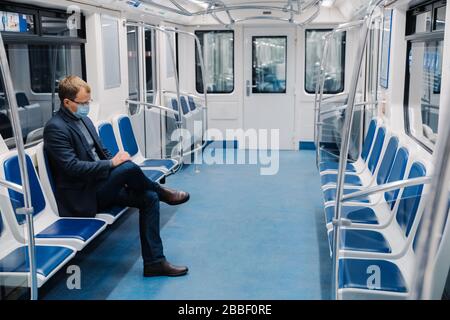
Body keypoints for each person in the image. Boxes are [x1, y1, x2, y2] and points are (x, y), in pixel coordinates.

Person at [43, 75, 189, 277]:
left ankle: (154, 262)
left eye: (89, 101)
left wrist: (114, 162)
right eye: (83, 103)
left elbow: (101, 151)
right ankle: (162, 191)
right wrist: (114, 165)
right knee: (128, 169)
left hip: (103, 184)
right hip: (85, 195)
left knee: (149, 198)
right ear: (67, 102)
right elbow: (72, 167)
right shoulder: (55, 128)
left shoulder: (84, 119)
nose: (87, 106)